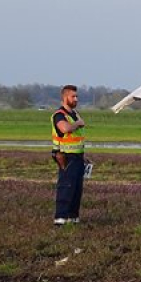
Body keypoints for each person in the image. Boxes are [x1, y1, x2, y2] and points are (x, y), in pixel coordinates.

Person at [51, 84, 86, 225]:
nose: (76, 99)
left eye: (77, 96)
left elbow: (77, 138)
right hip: (66, 157)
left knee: (77, 190)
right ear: (65, 97)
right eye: (73, 96)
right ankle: (60, 219)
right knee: (66, 187)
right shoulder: (59, 115)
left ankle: (73, 218)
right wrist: (77, 123)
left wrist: (84, 156)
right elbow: (64, 128)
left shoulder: (74, 114)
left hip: (78, 157)